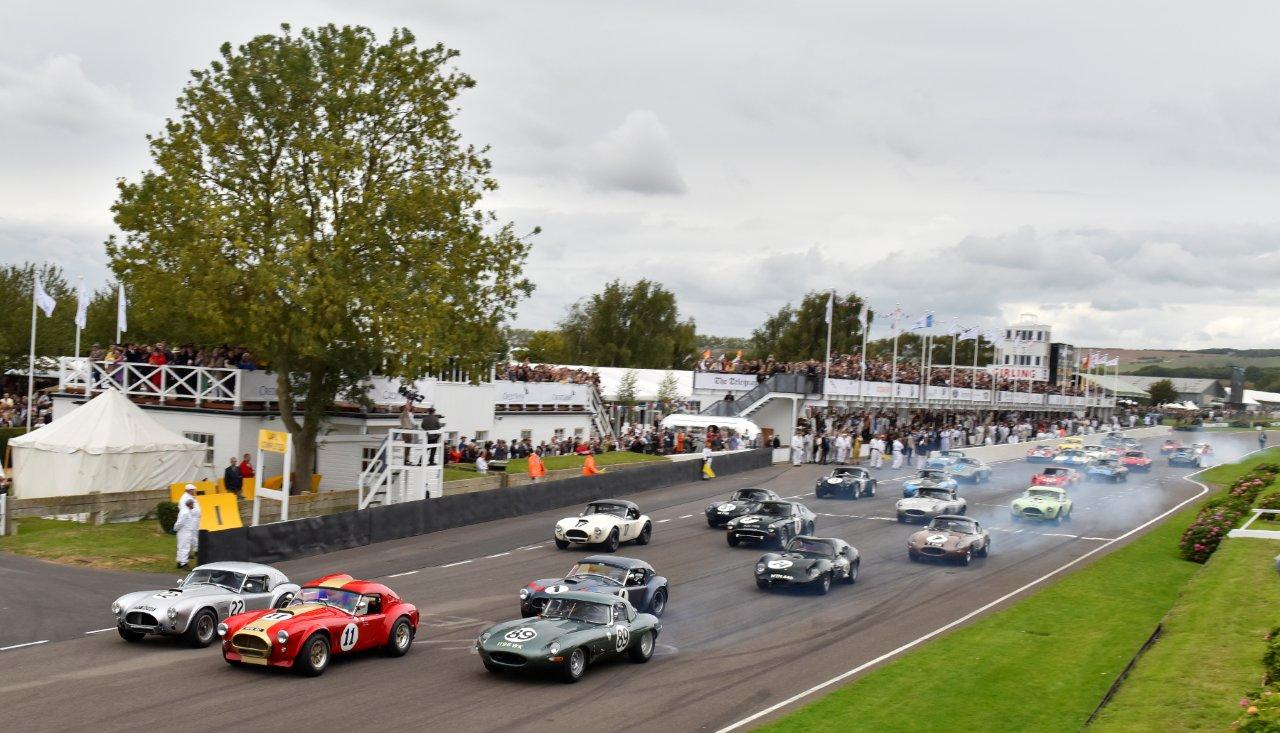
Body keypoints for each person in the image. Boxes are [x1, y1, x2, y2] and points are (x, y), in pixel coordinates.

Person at [173, 484, 202, 568]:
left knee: (181, 546)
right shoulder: (185, 511)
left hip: (185, 529)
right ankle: (184, 563)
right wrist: (175, 529)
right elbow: (180, 522)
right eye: (192, 504)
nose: (193, 506)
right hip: (185, 530)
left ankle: (179, 562)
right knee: (185, 547)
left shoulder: (186, 509)